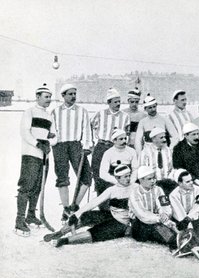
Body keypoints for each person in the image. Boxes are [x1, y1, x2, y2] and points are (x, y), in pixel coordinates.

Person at [53, 164, 134, 247]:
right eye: (125, 177)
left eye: (129, 176)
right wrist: (77, 214)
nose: (128, 179)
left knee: (97, 232)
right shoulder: (112, 190)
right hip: (111, 216)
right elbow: (95, 202)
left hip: (122, 222)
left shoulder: (135, 187)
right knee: (85, 216)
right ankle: (61, 232)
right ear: (117, 178)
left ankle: (66, 240)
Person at [14, 83, 57, 236]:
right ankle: (19, 221)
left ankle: (31, 215)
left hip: (44, 157)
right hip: (30, 155)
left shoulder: (49, 115)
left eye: (50, 97)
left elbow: (55, 136)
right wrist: (38, 143)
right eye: (46, 97)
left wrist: (48, 142)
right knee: (27, 186)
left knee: (38, 187)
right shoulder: (29, 112)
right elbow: (25, 133)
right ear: (37, 97)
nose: (49, 99)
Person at [51, 84, 93, 223]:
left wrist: (87, 145)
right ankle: (65, 209)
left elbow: (87, 129)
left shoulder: (82, 111)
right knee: (62, 177)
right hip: (60, 146)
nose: (73, 96)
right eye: (70, 94)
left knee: (86, 177)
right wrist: (52, 141)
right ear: (63, 95)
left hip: (76, 145)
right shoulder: (55, 112)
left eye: (74, 93)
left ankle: (74, 207)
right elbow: (51, 132)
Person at [91, 88, 130, 200]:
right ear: (109, 102)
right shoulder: (100, 114)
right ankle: (101, 203)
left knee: (114, 175)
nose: (118, 104)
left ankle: (113, 203)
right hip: (101, 146)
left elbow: (126, 133)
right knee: (98, 175)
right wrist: (91, 142)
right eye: (115, 102)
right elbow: (89, 127)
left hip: (116, 148)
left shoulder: (125, 116)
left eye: (119, 101)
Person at [129, 166, 177, 249]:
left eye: (154, 178)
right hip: (140, 224)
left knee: (165, 226)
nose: (153, 181)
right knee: (158, 228)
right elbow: (142, 214)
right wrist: (160, 219)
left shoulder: (158, 189)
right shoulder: (134, 193)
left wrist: (164, 214)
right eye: (149, 179)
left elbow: (164, 205)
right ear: (141, 180)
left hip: (156, 219)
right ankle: (175, 242)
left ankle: (180, 240)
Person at [172, 122, 199, 213]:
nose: (197, 137)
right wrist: (195, 180)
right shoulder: (178, 148)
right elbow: (179, 168)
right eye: (193, 134)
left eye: (197, 134)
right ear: (186, 136)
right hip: (188, 179)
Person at [169, 169, 199, 246]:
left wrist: (189, 217)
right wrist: (188, 225)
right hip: (180, 219)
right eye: (187, 182)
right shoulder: (173, 195)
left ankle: (197, 243)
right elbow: (178, 212)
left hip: (194, 217)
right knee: (182, 234)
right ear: (180, 183)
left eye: (191, 180)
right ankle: (189, 243)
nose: (191, 183)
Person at [98, 129, 138, 210]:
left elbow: (135, 169)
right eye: (121, 139)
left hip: (128, 178)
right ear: (114, 140)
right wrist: (117, 182)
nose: (124, 141)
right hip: (114, 179)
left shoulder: (132, 151)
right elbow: (102, 173)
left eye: (125, 138)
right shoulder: (108, 153)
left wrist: (131, 181)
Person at [139, 127, 177, 196]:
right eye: (161, 137)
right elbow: (143, 170)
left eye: (164, 137)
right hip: (152, 183)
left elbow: (172, 168)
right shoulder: (145, 152)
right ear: (154, 139)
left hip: (167, 182)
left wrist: (169, 179)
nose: (164, 139)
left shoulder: (168, 150)